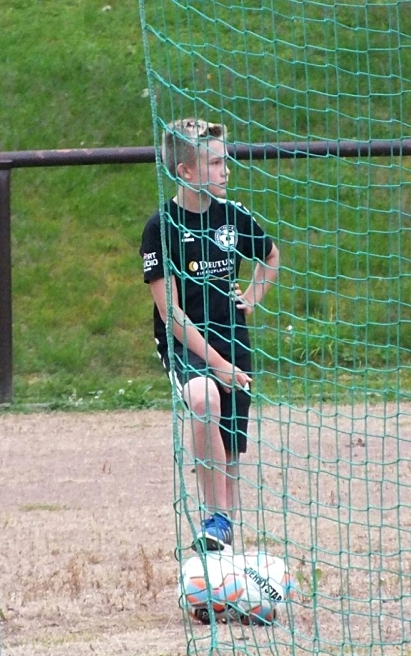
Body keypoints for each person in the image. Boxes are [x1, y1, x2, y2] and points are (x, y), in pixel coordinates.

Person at [140, 118, 280, 552]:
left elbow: (271, 256)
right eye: (216, 162)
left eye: (225, 161)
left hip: (232, 337)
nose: (226, 170)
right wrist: (219, 367)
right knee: (204, 399)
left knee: (231, 445)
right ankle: (215, 517)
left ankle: (224, 542)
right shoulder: (160, 227)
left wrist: (252, 298)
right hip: (187, 345)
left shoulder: (233, 217)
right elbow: (173, 316)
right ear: (186, 172)